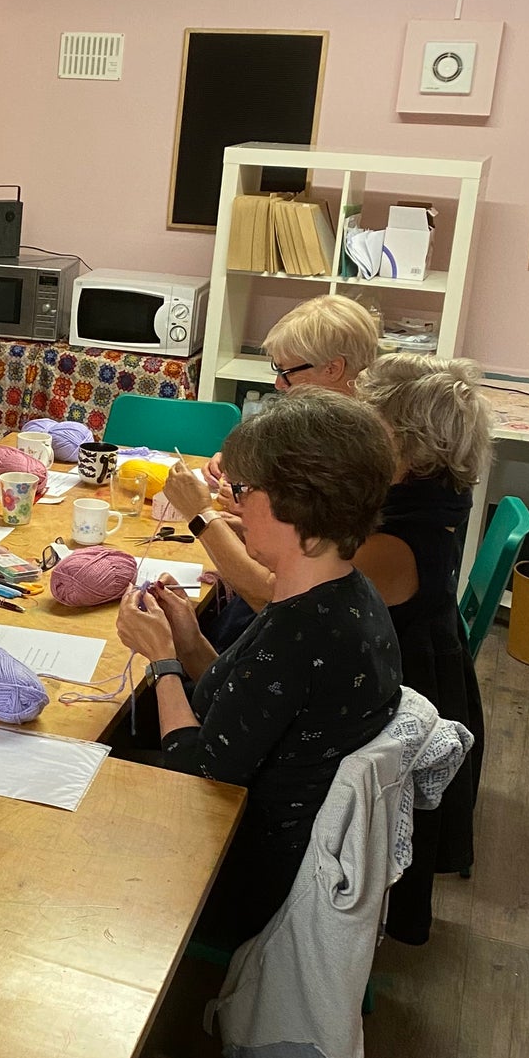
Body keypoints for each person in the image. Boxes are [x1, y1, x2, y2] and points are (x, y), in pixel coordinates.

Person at [117, 391, 402, 949]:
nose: (236, 506)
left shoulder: (304, 633)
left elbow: (196, 773)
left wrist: (164, 664)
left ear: (298, 505)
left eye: (246, 492)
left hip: (239, 876)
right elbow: (255, 705)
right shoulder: (339, 594)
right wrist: (192, 641)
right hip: (270, 838)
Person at [353, 353, 492, 943]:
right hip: (427, 660)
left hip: (399, 690)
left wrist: (208, 525)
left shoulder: (398, 540)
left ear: (405, 443)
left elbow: (289, 603)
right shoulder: (432, 498)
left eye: (370, 423)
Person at [179, 293, 387, 635]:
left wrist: (204, 516)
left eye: (288, 372)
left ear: (333, 368)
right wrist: (245, 475)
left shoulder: (347, 457)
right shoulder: (331, 433)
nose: (279, 384)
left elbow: (273, 593)